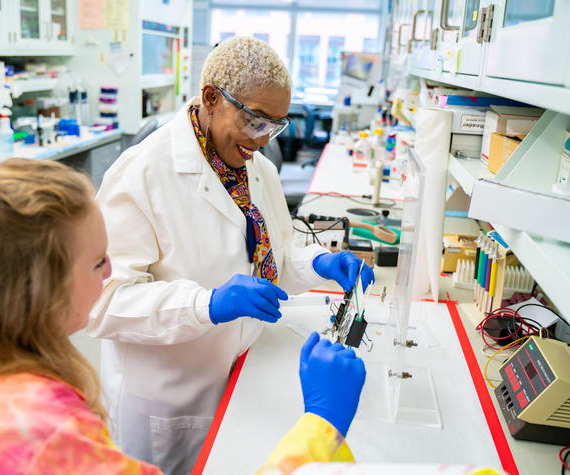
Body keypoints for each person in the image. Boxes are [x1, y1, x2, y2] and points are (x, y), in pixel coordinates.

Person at [0, 139, 367, 473]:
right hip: (165, 393)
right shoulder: (49, 433)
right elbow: (120, 302)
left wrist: (316, 263)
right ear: (36, 285)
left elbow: (271, 247)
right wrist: (318, 429)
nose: (111, 272)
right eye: (96, 263)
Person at [89, 36, 375, 473]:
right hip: (170, 398)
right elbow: (104, 303)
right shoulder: (140, 174)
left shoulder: (258, 170)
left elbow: (272, 255)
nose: (262, 141)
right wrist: (206, 303)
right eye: (255, 120)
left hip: (242, 376)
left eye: (275, 126)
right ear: (210, 98)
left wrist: (315, 263)